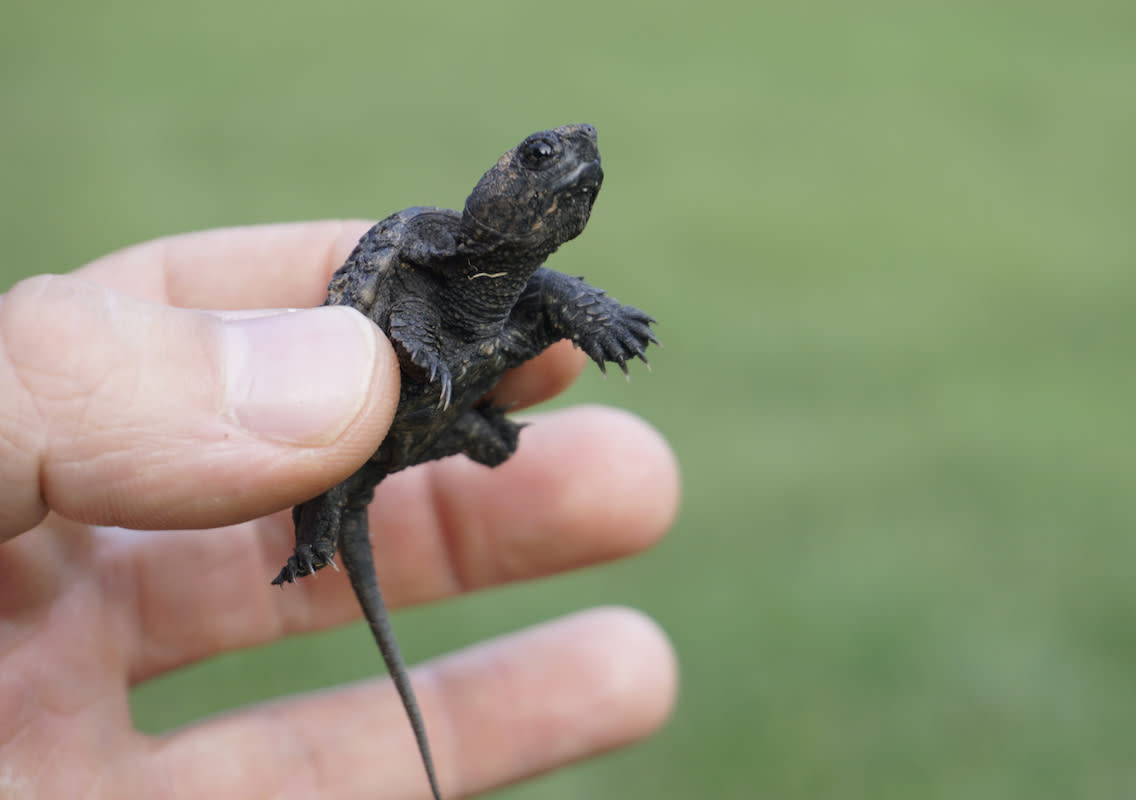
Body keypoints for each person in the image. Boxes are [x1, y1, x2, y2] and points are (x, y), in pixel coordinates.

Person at [0, 221, 680, 798]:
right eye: (538, 154)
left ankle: (461, 448)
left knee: (489, 440)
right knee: (330, 481)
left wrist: (606, 322)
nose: (573, 151)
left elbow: (559, 299)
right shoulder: (429, 261)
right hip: (362, 433)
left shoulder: (529, 297)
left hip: (434, 420)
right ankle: (313, 542)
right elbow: (404, 315)